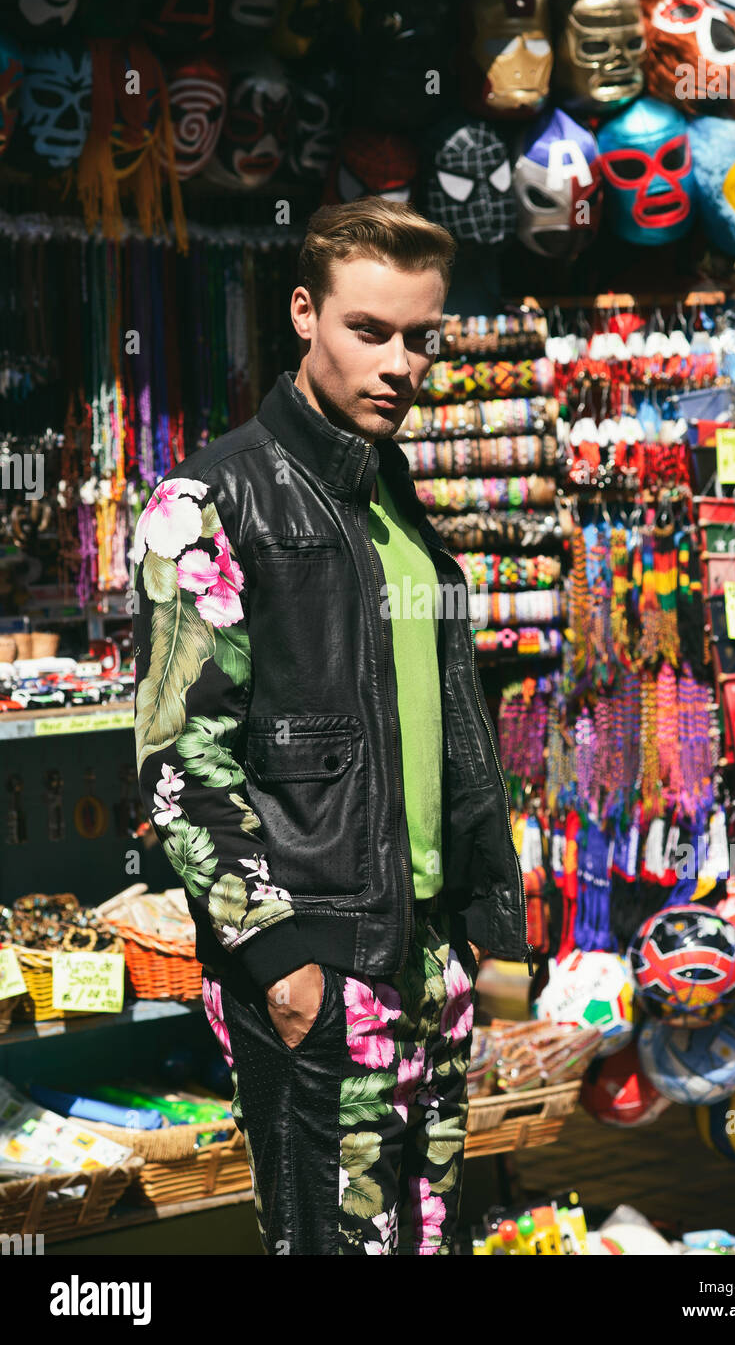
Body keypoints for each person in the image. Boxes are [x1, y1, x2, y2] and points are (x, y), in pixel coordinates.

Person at [132, 196, 529, 1256]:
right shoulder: (205, 503)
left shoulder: (401, 511)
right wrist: (280, 962)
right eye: (370, 330)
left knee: (431, 1242)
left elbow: (451, 739)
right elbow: (180, 760)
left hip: (428, 955)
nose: (401, 363)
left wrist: (486, 939)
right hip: (321, 964)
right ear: (304, 313)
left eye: (421, 338)